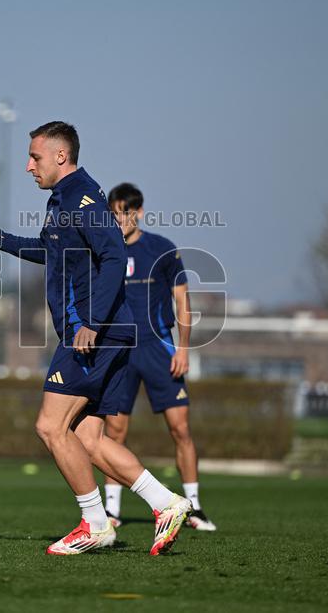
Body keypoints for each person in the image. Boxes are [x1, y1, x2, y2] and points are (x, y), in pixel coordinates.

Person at [0, 121, 191, 556]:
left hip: (94, 334)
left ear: (60, 156)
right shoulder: (63, 201)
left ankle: (94, 522)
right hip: (106, 332)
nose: (27, 166)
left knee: (49, 426)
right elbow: (46, 250)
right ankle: (165, 503)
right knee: (89, 440)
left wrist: (91, 321)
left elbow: (114, 256)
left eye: (35, 157)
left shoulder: (83, 197)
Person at [102, 183, 216, 532]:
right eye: (115, 212)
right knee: (114, 431)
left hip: (159, 348)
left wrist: (182, 348)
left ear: (139, 212)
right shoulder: (104, 250)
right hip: (118, 350)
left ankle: (194, 507)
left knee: (180, 429)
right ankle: (111, 511)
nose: (120, 219)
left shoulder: (162, 249)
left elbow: (182, 301)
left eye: (126, 212)